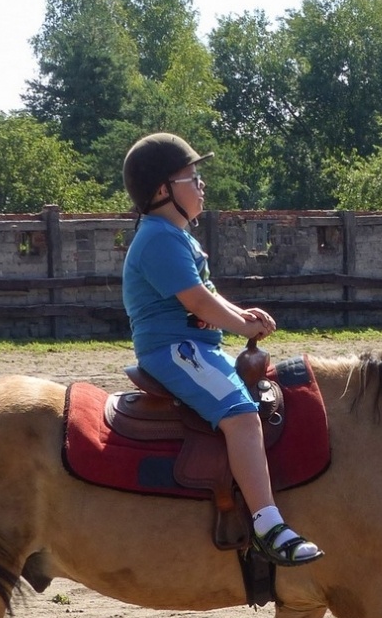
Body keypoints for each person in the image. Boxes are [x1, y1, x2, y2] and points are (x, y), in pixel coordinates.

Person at [120, 132, 322, 567]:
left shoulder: (178, 237)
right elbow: (195, 301)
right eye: (191, 177)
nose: (201, 184)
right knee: (243, 416)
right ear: (162, 190)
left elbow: (209, 295)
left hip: (193, 346)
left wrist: (240, 313)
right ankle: (269, 526)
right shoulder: (158, 237)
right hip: (174, 350)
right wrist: (238, 322)